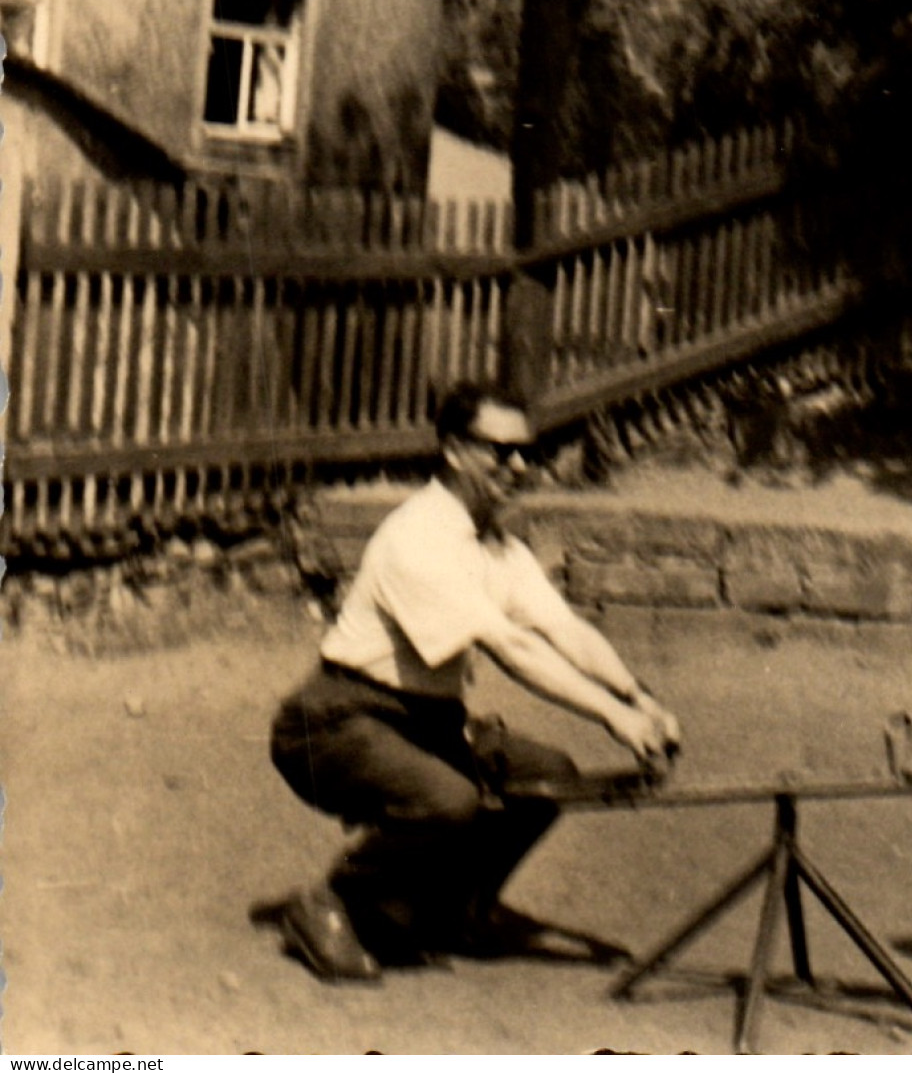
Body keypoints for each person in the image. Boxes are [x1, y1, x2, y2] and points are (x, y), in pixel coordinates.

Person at [260, 381, 681, 983]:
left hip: (427, 720)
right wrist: (612, 717)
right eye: (499, 451)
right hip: (332, 723)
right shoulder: (418, 538)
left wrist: (640, 699)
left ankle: (455, 911)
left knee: (548, 776)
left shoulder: (496, 545)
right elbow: (508, 646)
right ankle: (333, 900)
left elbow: (563, 628)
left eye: (527, 454)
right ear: (455, 450)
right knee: (448, 800)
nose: (518, 466)